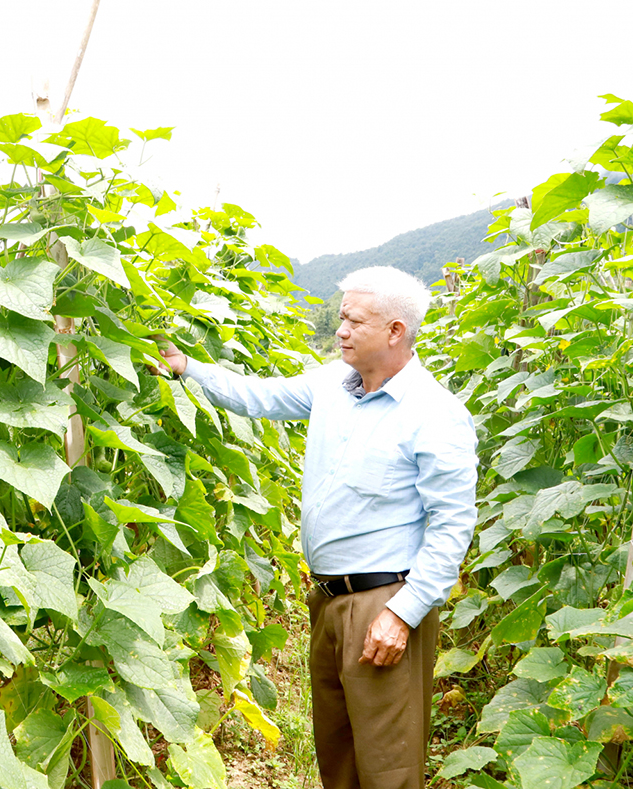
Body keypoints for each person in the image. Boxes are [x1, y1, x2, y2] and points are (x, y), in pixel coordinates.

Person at [156, 266, 477, 789]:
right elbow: (257, 396)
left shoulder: (434, 413)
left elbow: (451, 526)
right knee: (339, 752)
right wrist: (186, 366)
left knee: (387, 764)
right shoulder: (332, 384)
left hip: (384, 601)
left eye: (353, 320)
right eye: (341, 318)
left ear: (395, 331)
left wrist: (403, 614)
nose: (341, 330)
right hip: (328, 600)